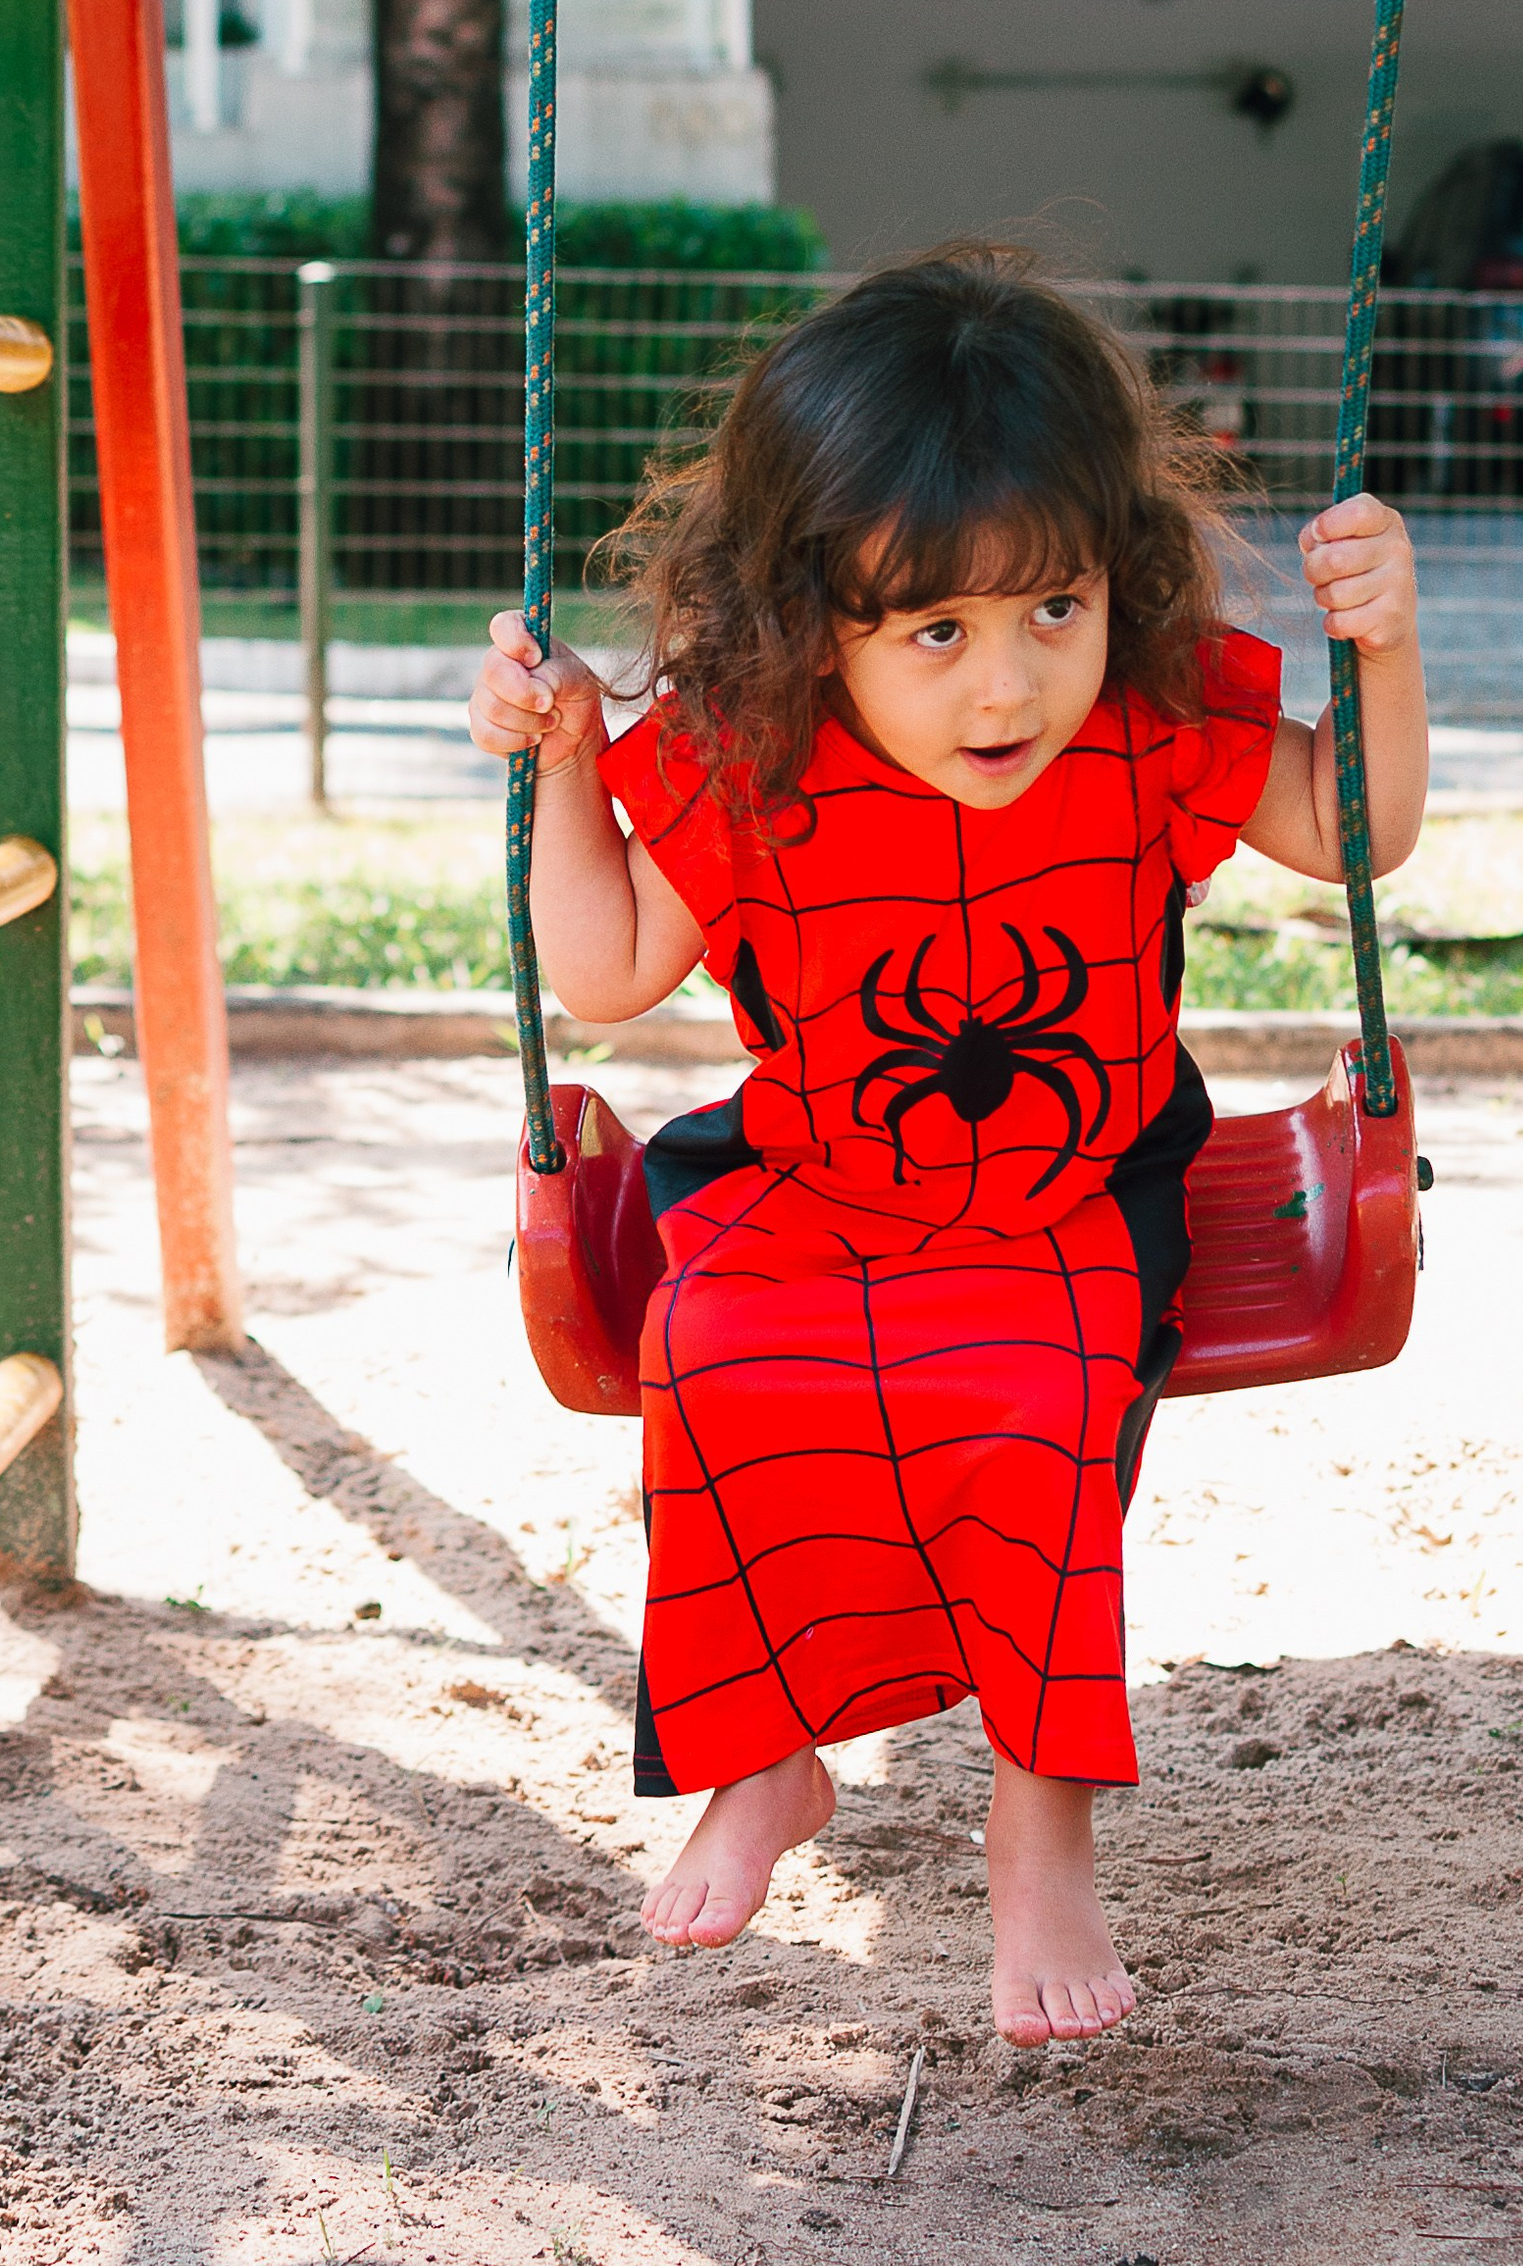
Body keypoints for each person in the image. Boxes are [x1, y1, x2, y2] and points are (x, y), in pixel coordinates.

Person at [467, 246, 1427, 2046]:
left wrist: (1384, 642)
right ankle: (765, 1757)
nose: (1008, 687)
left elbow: (1348, 829)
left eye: (1051, 609)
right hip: (817, 1176)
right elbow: (599, 973)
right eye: (936, 633)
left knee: (1034, 1398)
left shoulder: (1144, 727)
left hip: (1083, 1185)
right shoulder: (754, 756)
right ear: (809, 618)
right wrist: (572, 765)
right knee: (716, 1351)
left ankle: (1039, 1829)